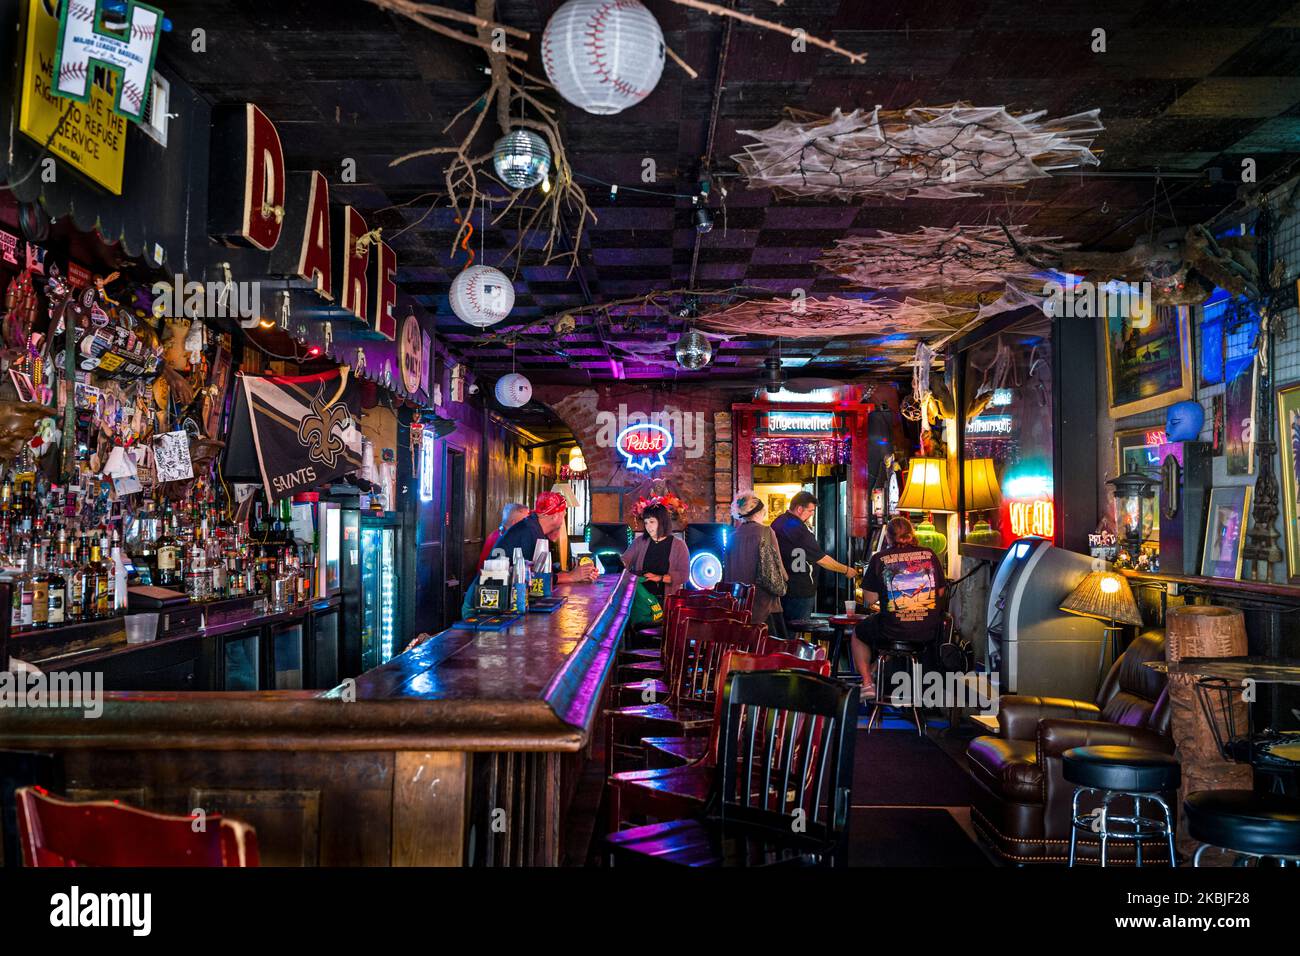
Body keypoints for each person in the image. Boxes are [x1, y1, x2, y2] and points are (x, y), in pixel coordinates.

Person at [851, 515, 947, 699]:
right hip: (928, 631)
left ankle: (868, 683)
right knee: (892, 638)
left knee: (859, 633)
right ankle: (876, 671)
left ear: (887, 537)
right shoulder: (929, 554)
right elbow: (941, 592)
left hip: (894, 630)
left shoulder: (880, 558)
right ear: (912, 534)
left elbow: (869, 599)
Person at [770, 490, 860, 628]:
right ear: (799, 509)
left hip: (783, 587)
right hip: (800, 590)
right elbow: (821, 559)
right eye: (810, 511)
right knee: (795, 630)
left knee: (785, 630)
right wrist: (846, 570)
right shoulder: (797, 528)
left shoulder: (779, 521)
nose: (812, 514)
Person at [493, 491, 598, 584]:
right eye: (563, 514)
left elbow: (544, 572)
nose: (564, 519)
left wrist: (580, 574)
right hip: (496, 593)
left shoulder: (533, 526)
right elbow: (536, 578)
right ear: (555, 516)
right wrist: (572, 577)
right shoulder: (530, 531)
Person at [723, 491, 786, 633]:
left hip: (739, 605)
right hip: (764, 604)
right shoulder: (766, 532)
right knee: (769, 644)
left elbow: (727, 572)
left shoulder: (732, 536)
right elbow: (778, 568)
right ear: (760, 512)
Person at [621, 502, 690, 600]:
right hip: (640, 598)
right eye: (646, 523)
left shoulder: (679, 545)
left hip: (665, 599)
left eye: (652, 522)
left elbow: (684, 575)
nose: (648, 526)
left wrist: (660, 578)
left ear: (662, 522)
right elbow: (626, 560)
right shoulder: (639, 541)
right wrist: (618, 563)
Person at [478, 502, 527, 571]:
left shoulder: (504, 534)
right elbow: (495, 572)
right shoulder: (500, 538)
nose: (528, 524)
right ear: (515, 523)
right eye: (525, 521)